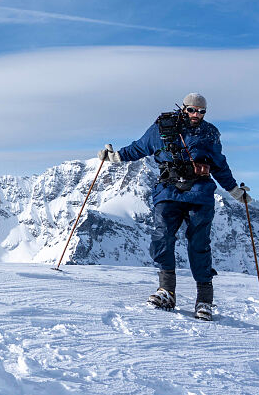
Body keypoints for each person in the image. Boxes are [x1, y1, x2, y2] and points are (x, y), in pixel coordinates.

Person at [101, 93, 251, 320]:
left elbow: (219, 165)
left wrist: (234, 191)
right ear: (184, 108)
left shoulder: (209, 133)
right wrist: (115, 157)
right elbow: (140, 147)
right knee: (162, 237)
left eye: (201, 112)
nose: (196, 115)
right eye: (192, 110)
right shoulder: (162, 128)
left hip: (200, 193)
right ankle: (166, 291)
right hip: (168, 191)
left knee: (199, 245)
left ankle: (204, 300)